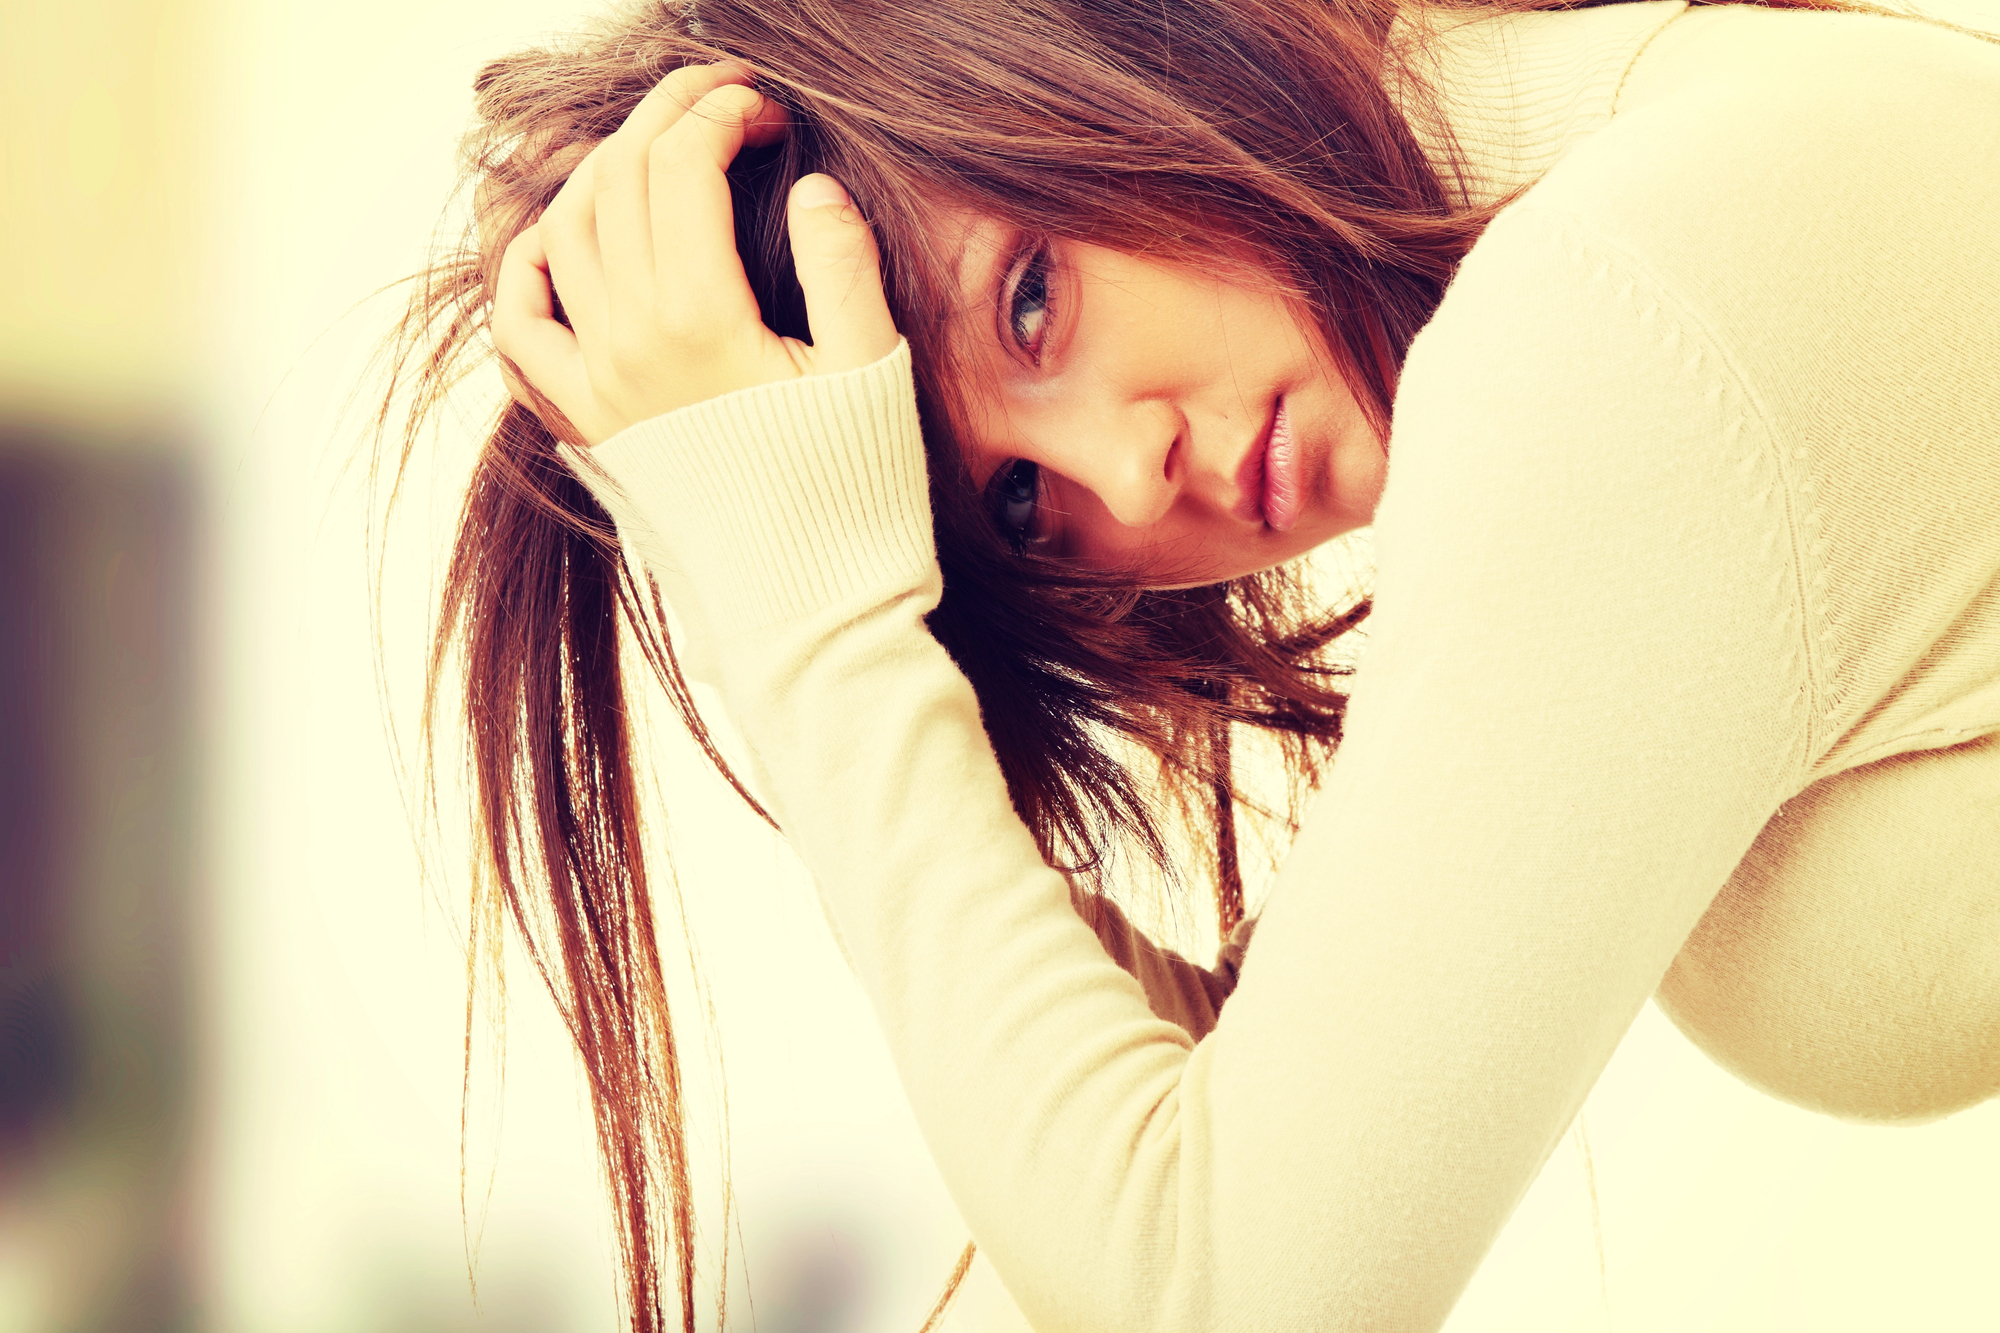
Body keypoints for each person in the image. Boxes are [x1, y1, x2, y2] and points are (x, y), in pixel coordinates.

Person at [378, 0, 2000, 1327]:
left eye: (1032, 296)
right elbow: (1261, 1095)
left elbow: (1213, 1294)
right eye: (1013, 506)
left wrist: (816, 637)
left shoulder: (1611, 325)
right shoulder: (1636, 203)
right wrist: (779, 552)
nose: (1124, 479)